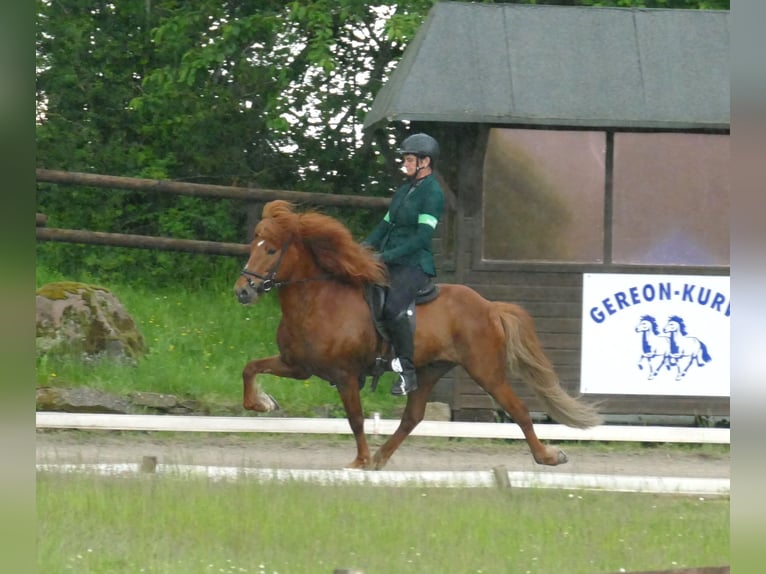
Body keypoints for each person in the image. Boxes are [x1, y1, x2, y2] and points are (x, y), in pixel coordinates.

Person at [362, 133, 445, 396]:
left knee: (394, 308)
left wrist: (386, 256)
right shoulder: (404, 191)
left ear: (425, 161)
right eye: (406, 159)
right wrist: (360, 250)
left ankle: (407, 371)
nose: (405, 164)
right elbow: (384, 226)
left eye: (409, 159)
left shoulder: (433, 194)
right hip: (390, 260)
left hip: (414, 264)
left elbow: (422, 238)